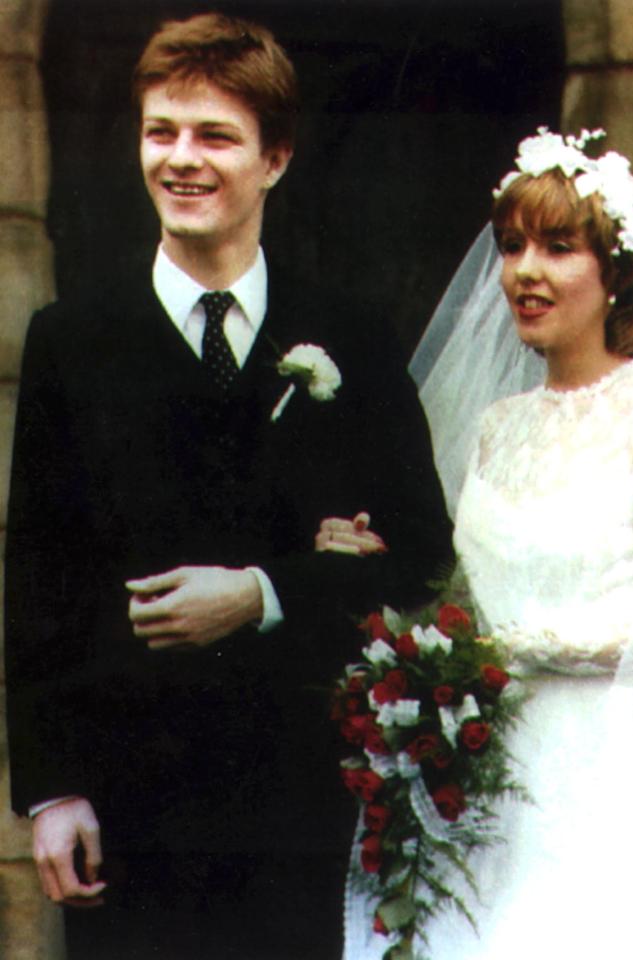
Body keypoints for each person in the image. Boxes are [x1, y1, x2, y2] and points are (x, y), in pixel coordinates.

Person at [3, 13, 452, 960]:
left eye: (215, 135)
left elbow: (419, 550)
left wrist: (264, 593)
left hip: (293, 803)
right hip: (128, 807)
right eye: (161, 130)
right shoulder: (71, 337)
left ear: (275, 158)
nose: (181, 160)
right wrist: (52, 790)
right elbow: (39, 575)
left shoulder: (350, 337)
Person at [342, 129, 633, 958]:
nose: (525, 271)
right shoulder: (493, 427)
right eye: (514, 245)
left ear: (615, 273)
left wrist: (545, 647)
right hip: (482, 773)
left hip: (612, 779)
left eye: (558, 248)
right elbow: (457, 587)